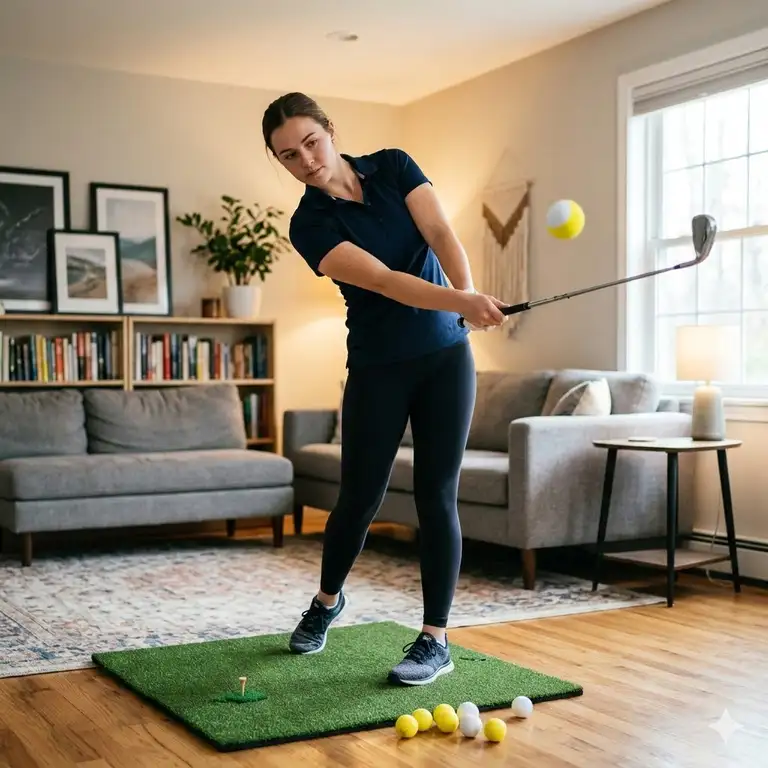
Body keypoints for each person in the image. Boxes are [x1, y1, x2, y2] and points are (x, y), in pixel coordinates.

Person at [261, 92, 507, 686]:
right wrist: (462, 301)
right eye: (289, 156)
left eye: (312, 143)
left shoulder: (395, 165)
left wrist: (467, 303)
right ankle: (326, 602)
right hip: (378, 367)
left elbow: (442, 232)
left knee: (436, 495)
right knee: (359, 498)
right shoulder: (309, 224)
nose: (307, 161)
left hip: (447, 359)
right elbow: (384, 280)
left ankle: (434, 639)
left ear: (331, 131)